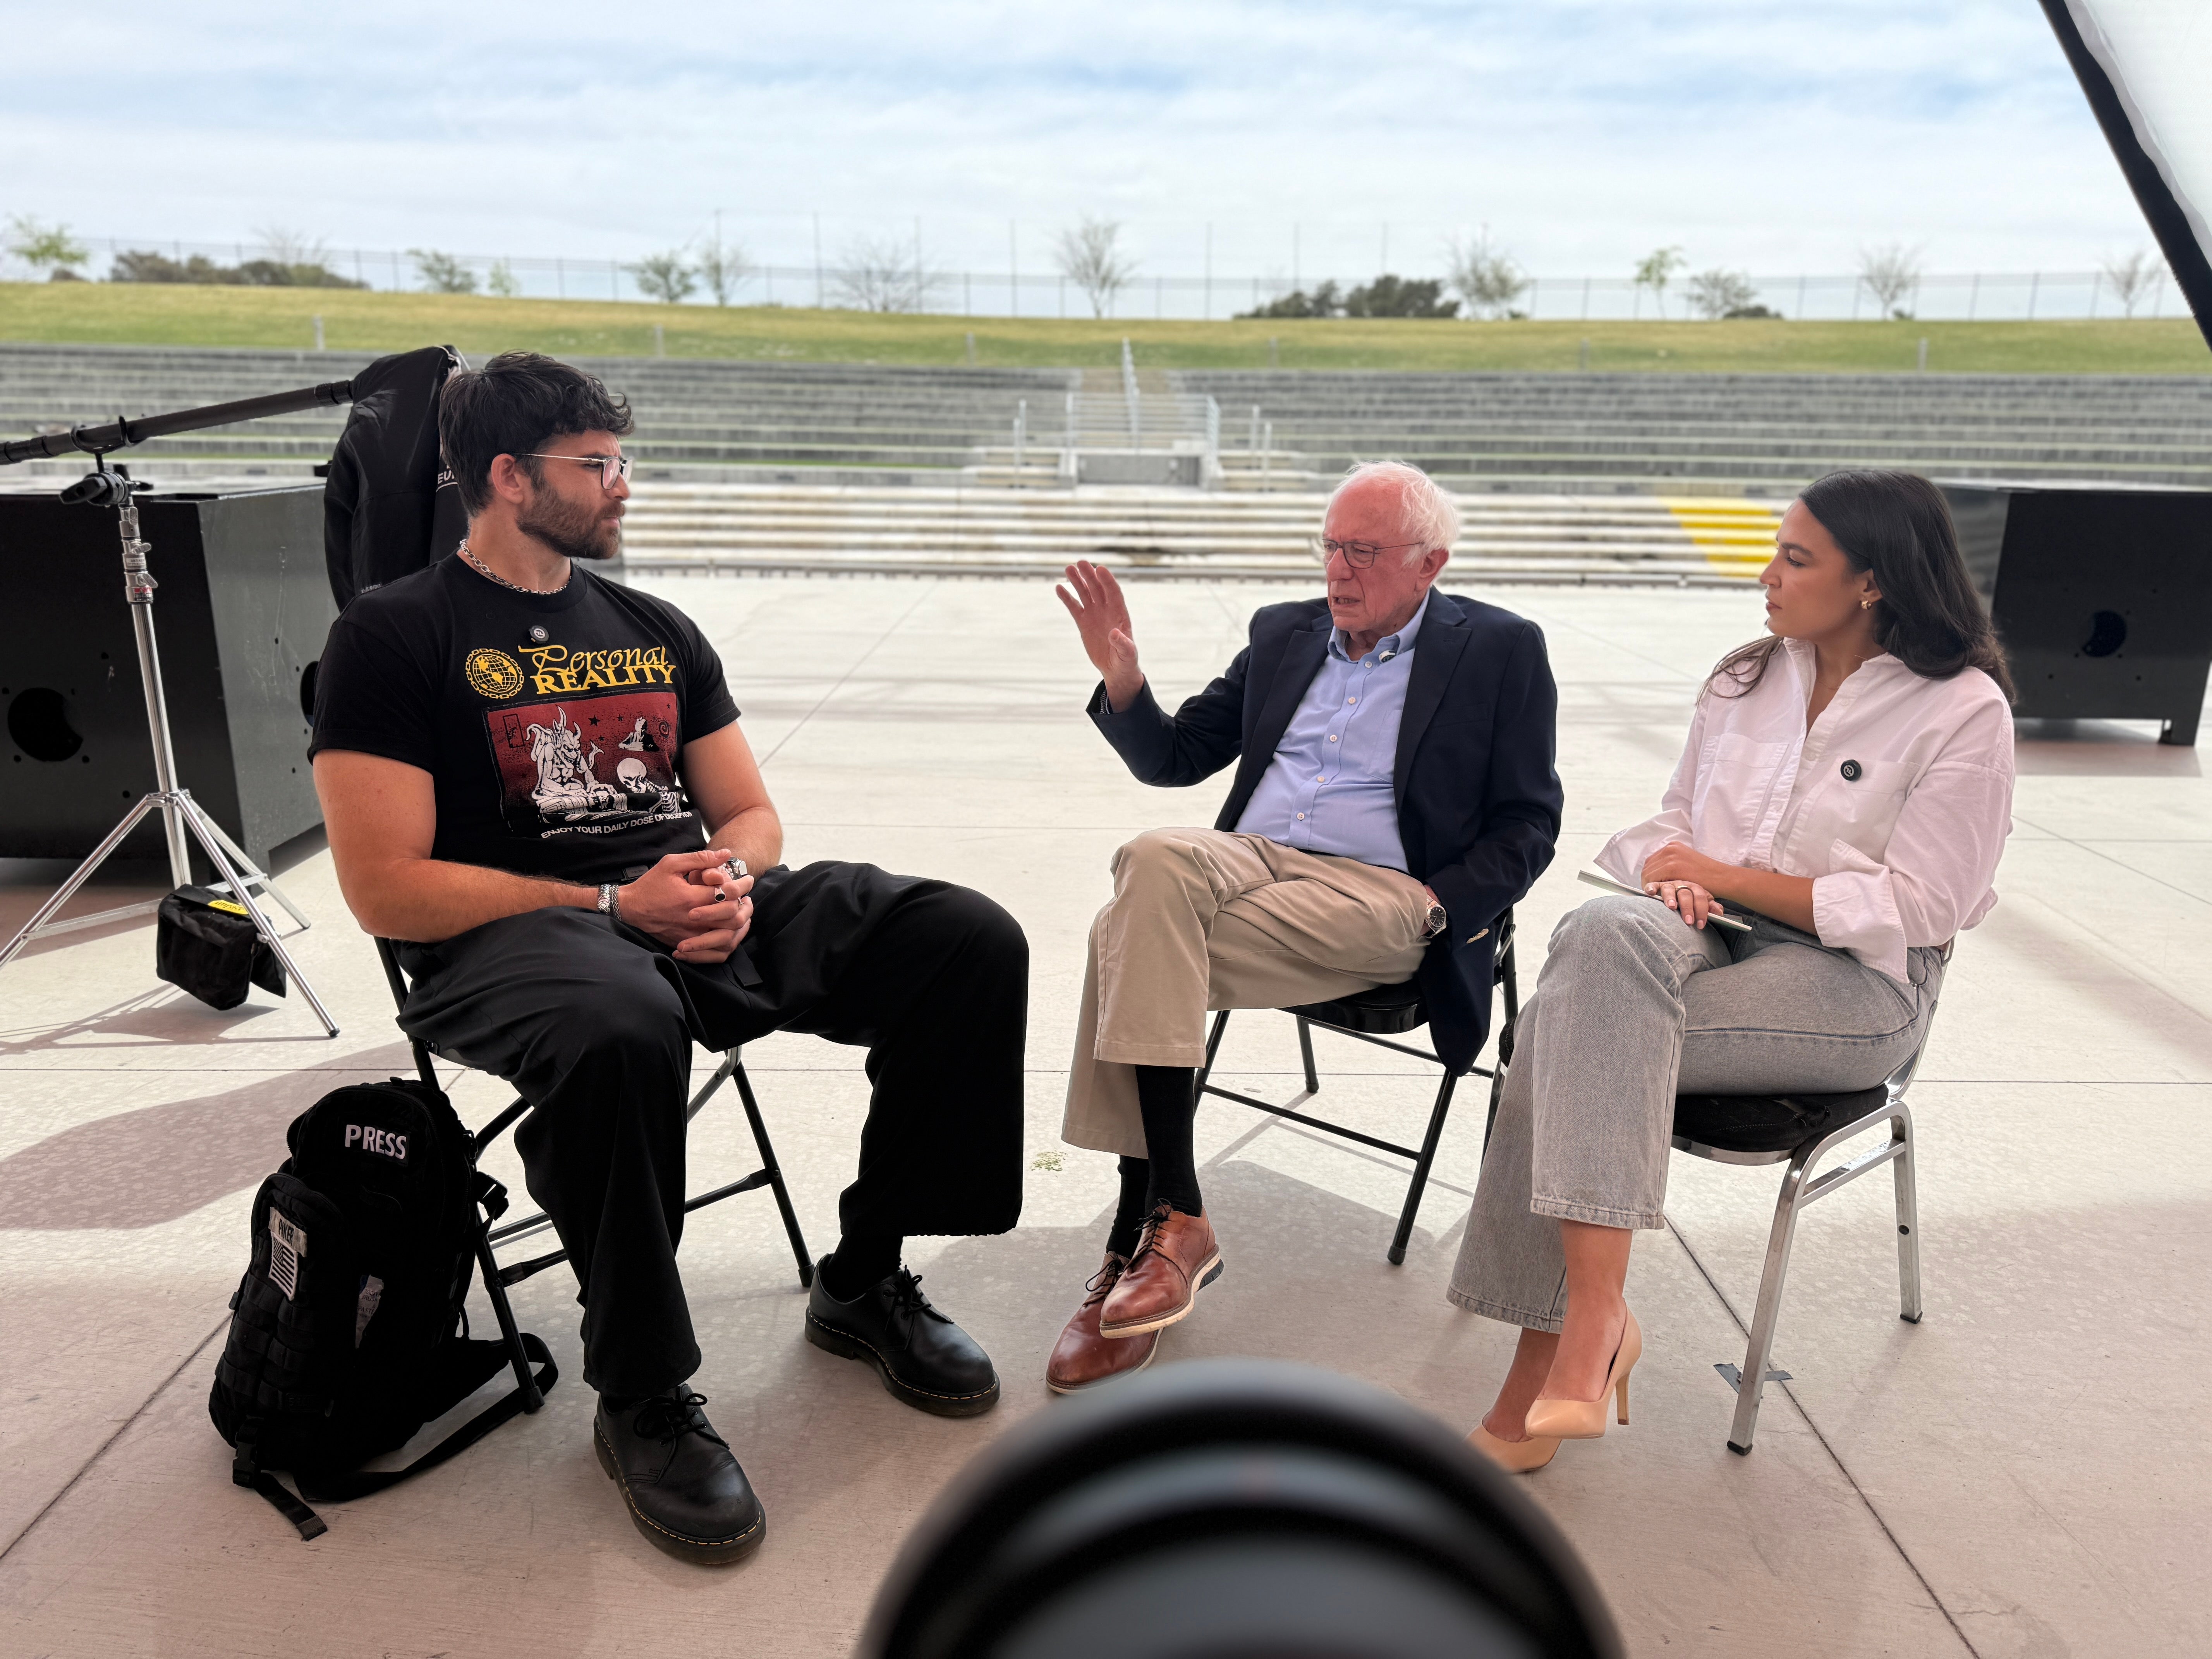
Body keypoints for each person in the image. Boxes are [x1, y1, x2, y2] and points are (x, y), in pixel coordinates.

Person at [309, 352, 1026, 1566]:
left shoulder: (653, 627)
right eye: (597, 464)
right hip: (511, 939)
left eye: (620, 459)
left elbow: (749, 812)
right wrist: (609, 900)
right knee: (620, 1025)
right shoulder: (393, 634)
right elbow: (384, 886)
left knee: (964, 940)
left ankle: (865, 1276)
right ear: (506, 474)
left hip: (682, 908)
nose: (622, 485)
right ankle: (641, 1388)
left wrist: (728, 884)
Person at [1450, 468, 2015, 1473]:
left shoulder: (1962, 709)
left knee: (1562, 1030)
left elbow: (1926, 903)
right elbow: (1679, 820)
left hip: (1861, 981)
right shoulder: (1745, 678)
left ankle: (1560, 1349)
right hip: (1708, 936)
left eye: (1796, 558)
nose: (1768, 574)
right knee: (1600, 934)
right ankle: (1596, 1321)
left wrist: (1730, 873)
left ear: (1875, 580)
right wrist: (1675, 875)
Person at [1046, 460, 1563, 1394]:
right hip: (1248, 866)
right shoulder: (1284, 633)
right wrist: (1124, 681)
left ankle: (1139, 1235)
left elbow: (1531, 822)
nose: (1338, 571)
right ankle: (1179, 1219)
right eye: (1330, 546)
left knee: (1122, 932)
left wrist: (1445, 907)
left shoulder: (1500, 648)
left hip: (1389, 891)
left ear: (1428, 564)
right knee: (1151, 865)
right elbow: (1176, 761)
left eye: (1363, 552)